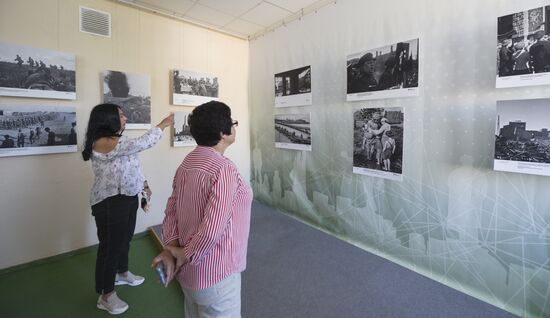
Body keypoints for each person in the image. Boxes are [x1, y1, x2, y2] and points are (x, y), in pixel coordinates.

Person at [153, 101, 253, 318]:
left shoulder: (187, 163)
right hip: (217, 274)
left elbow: (171, 211)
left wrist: (171, 248)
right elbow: (213, 227)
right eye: (232, 123)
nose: (234, 127)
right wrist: (185, 253)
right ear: (222, 133)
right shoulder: (223, 169)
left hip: (189, 275)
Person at [82, 103, 173, 315]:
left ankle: (122, 273)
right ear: (108, 119)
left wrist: (145, 185)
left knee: (124, 240)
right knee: (110, 248)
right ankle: (106, 296)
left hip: (128, 197)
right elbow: (142, 143)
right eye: (121, 116)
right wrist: (163, 124)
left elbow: (132, 166)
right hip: (110, 202)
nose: (126, 119)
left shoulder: (119, 142)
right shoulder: (104, 142)